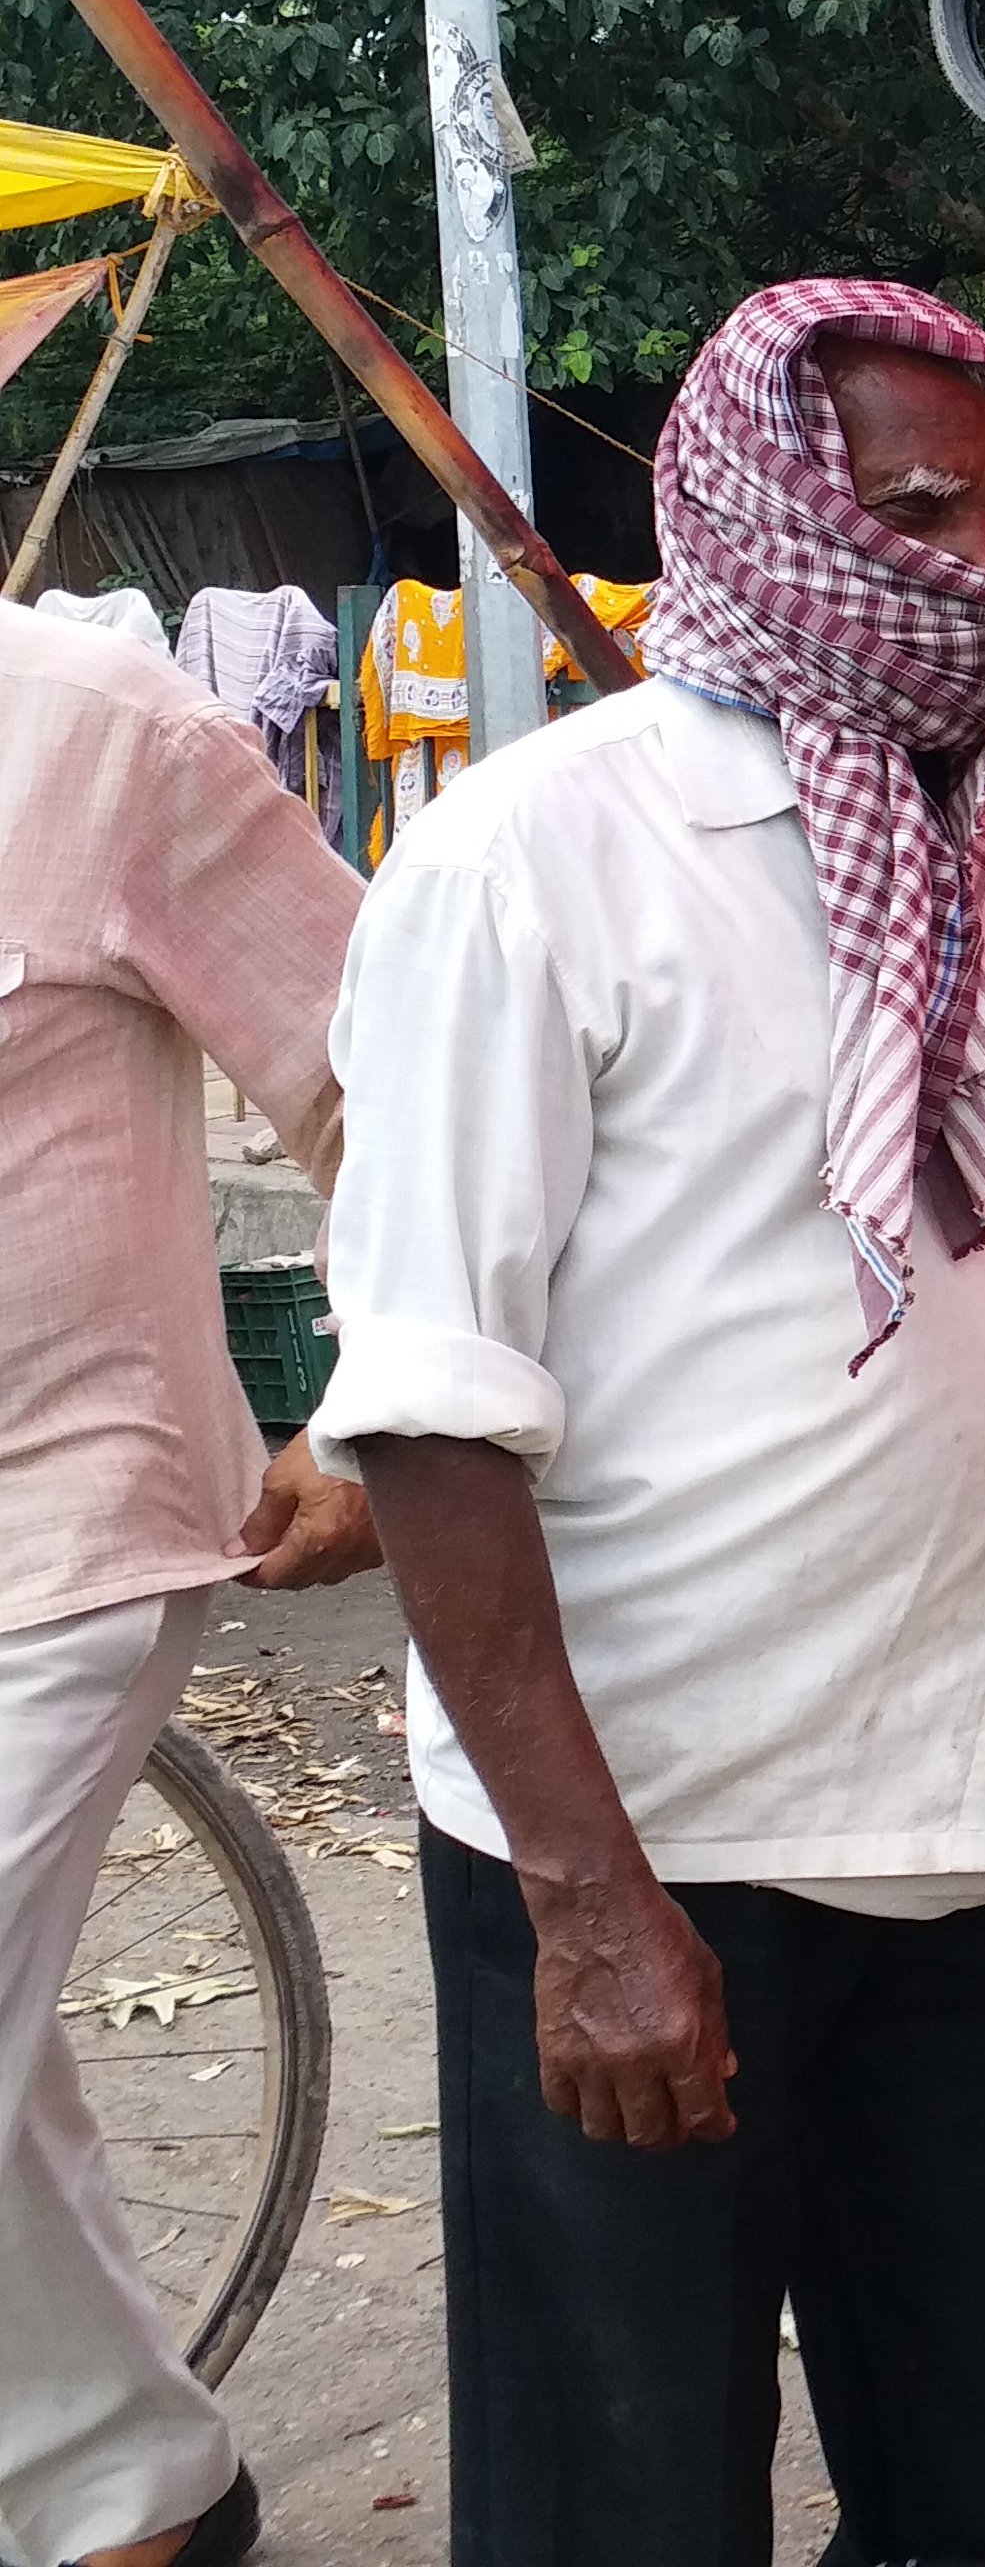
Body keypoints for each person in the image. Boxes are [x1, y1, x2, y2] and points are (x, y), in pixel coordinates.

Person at [311, 283, 985, 2567]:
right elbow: (425, 1413)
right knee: (632, 2505)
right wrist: (592, 1910)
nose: (978, 573)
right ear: (759, 510)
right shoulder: (536, 865)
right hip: (668, 1861)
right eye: (915, 515)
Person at [0, 595, 377, 2567]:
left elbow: (380, 1070)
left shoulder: (92, 732)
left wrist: (382, 1401)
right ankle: (128, 2490)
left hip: (60, 1523)